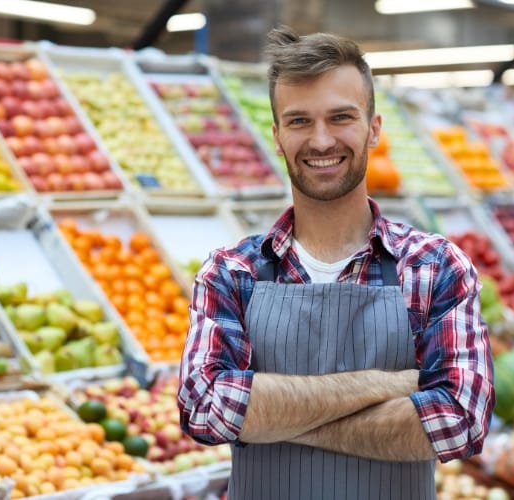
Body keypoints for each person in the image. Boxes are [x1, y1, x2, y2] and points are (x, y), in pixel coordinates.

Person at [177, 25, 494, 499]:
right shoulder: (230, 272)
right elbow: (204, 411)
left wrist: (272, 420)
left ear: (374, 128)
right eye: (299, 121)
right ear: (278, 137)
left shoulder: (436, 267)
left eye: (341, 117)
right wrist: (380, 386)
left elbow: (459, 422)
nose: (321, 140)